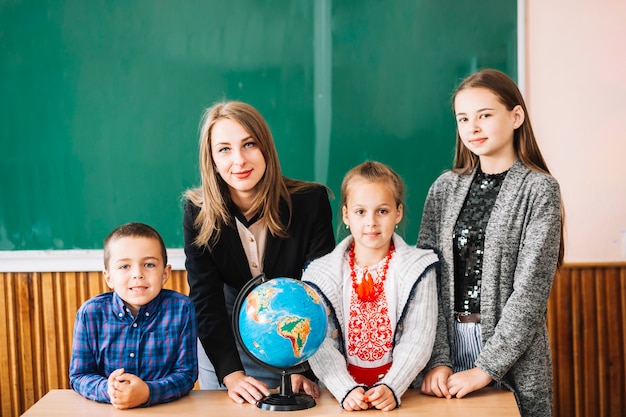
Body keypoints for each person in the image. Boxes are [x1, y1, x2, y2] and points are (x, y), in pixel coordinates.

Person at [417, 69, 564, 417]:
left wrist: (486, 367)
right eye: (463, 118)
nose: (473, 127)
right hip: (447, 348)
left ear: (516, 117)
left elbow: (530, 291)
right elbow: (427, 280)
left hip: (513, 354)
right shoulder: (444, 189)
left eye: (485, 115)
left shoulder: (539, 190)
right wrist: (437, 359)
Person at [183, 100, 335, 405]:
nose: (238, 160)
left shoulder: (310, 202)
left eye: (249, 144)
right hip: (225, 336)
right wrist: (231, 375)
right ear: (211, 159)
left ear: (265, 148)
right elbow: (204, 299)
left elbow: (322, 292)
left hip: (294, 331)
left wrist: (300, 366)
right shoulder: (197, 212)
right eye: (224, 149)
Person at [302, 161, 439, 411]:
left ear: (398, 213)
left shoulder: (418, 268)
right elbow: (320, 343)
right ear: (345, 214)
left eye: (382, 211)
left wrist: (392, 386)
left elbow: (419, 336)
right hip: (339, 398)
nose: (371, 222)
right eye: (360, 211)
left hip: (405, 396)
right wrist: (345, 389)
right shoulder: (320, 274)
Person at [69, 222, 198, 409]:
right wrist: (109, 389)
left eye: (149, 264)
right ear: (108, 277)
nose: (138, 274)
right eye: (124, 266)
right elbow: (79, 375)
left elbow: (186, 374)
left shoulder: (182, 309)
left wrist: (148, 392)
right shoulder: (90, 314)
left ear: (164, 273)